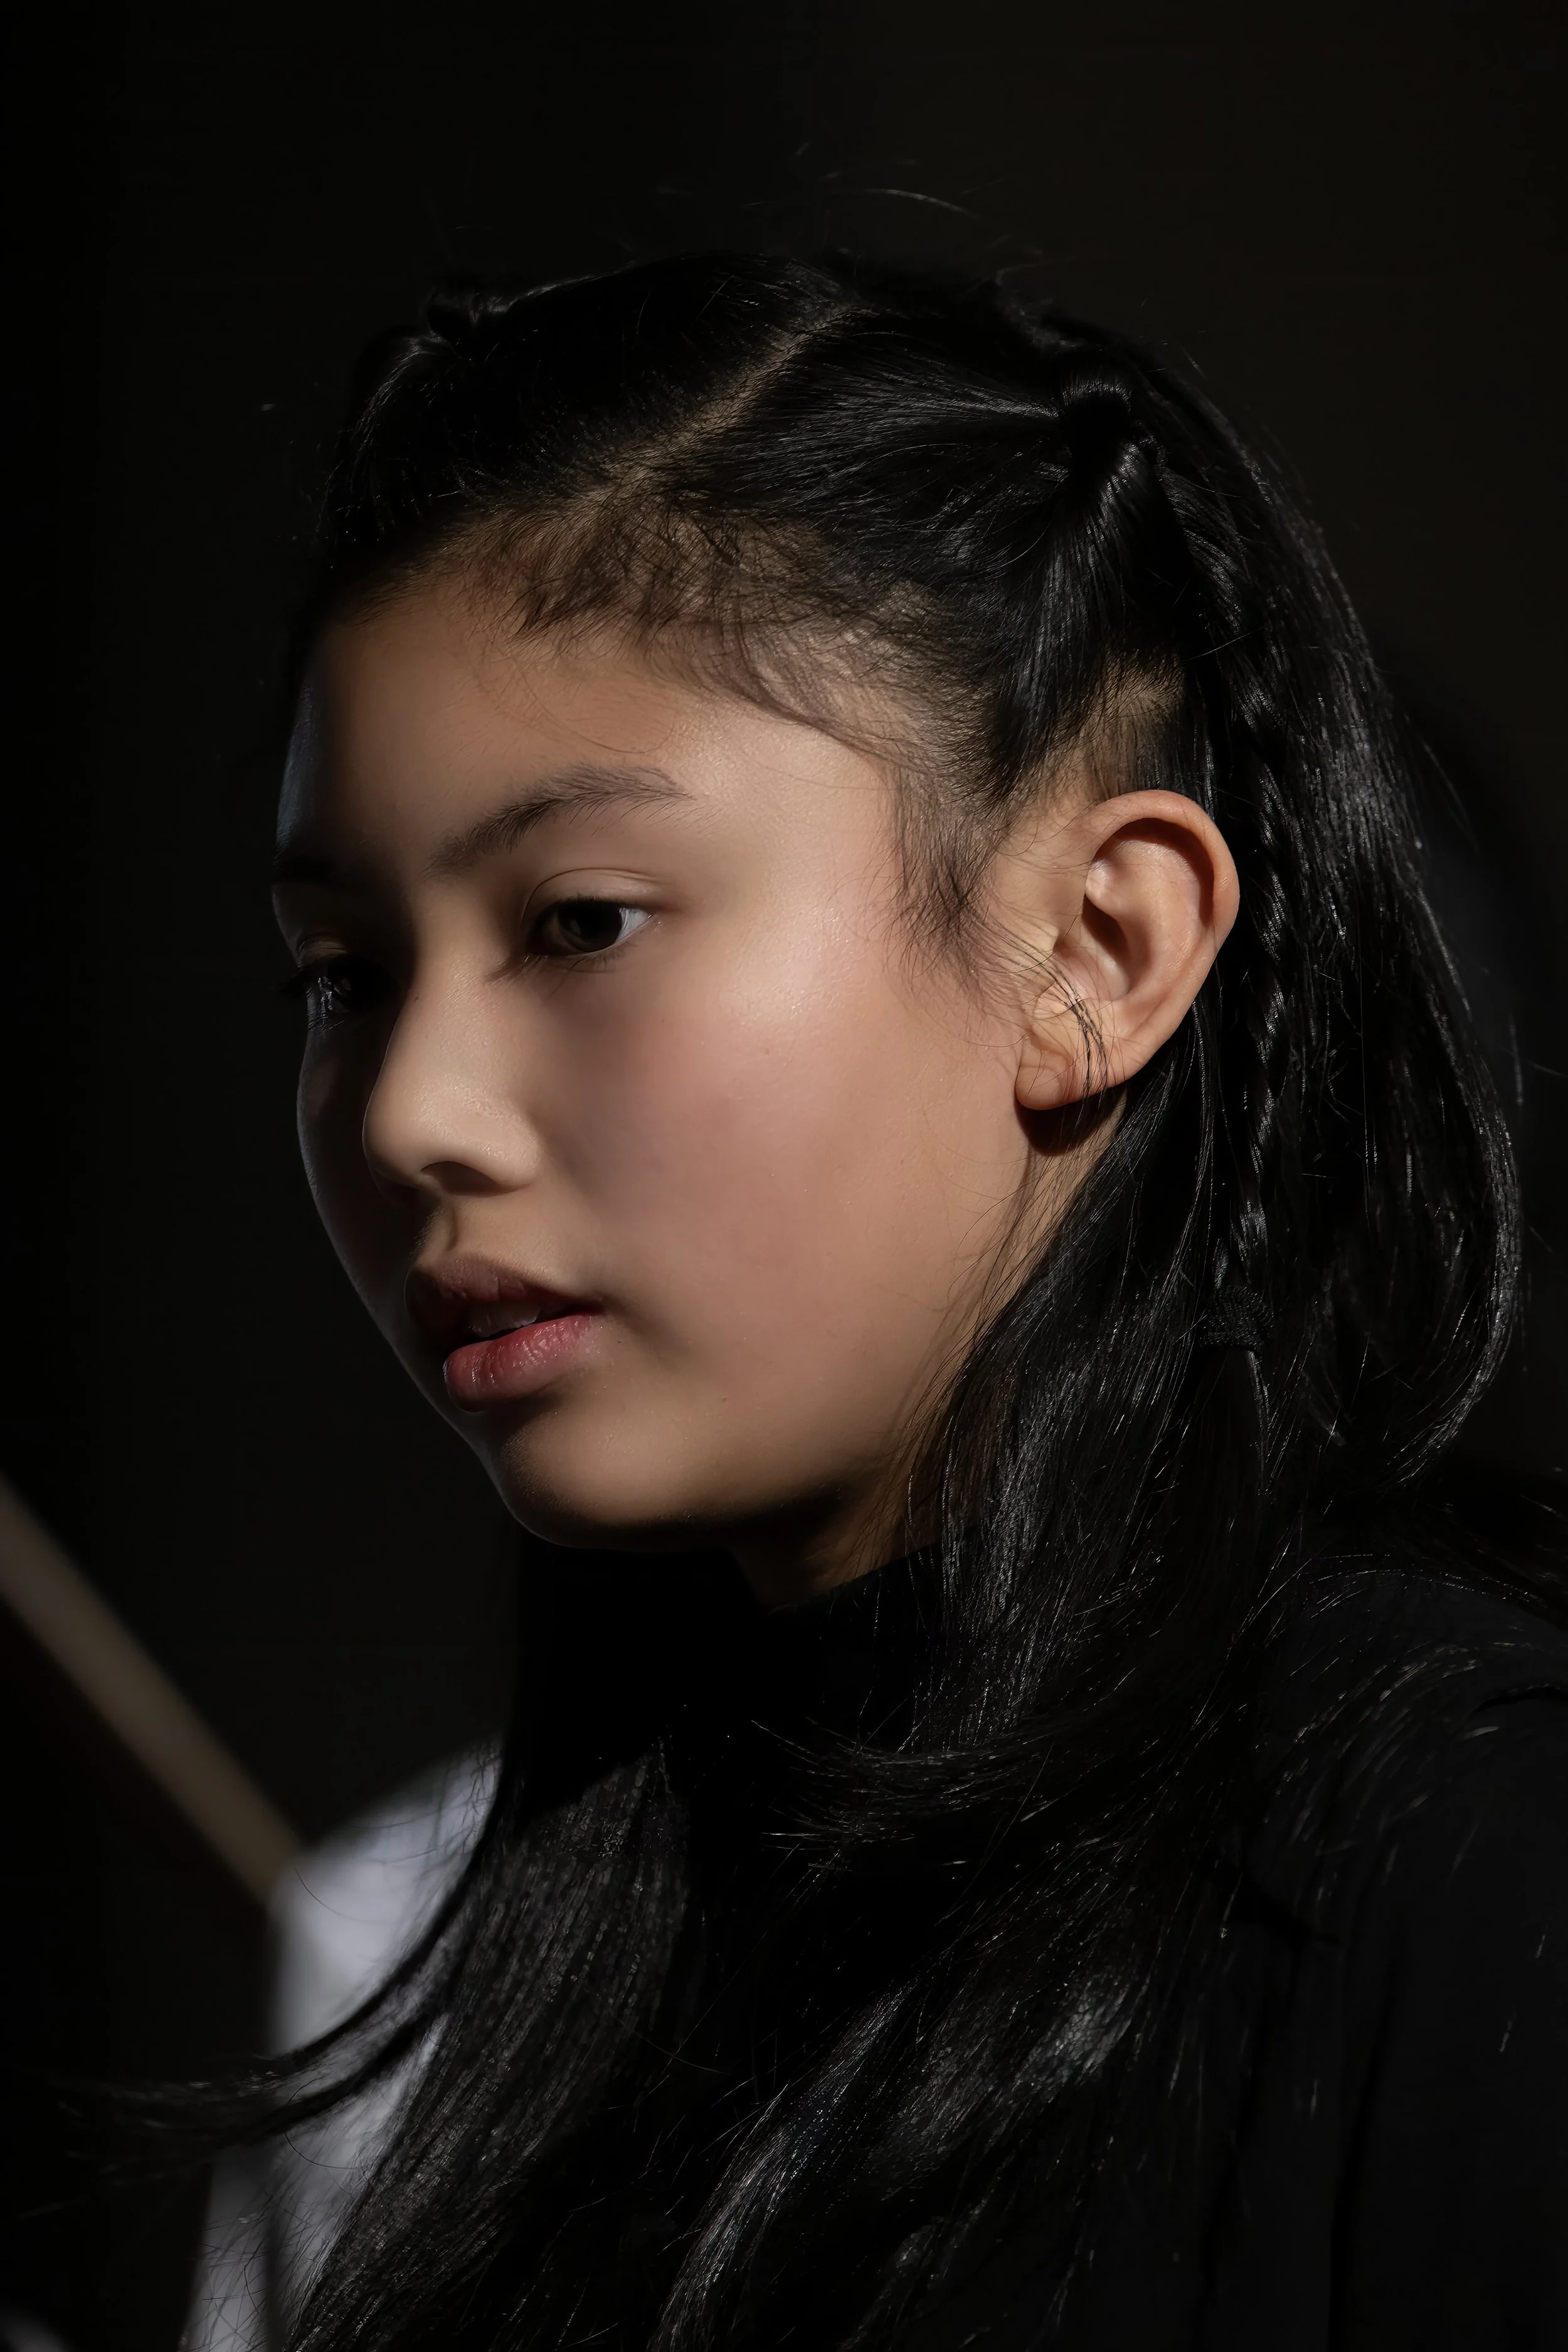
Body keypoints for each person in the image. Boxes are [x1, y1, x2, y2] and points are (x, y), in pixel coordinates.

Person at [196, 252, 1568, 2349]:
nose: (408, 1112)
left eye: (580, 921)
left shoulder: (1465, 1866)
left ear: (1098, 947)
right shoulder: (560, 1949)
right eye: (340, 976)